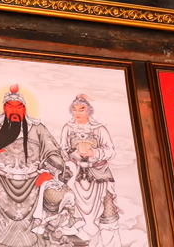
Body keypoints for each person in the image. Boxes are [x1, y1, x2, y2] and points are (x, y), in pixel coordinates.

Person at [0, 85, 77, 246]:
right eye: (10, 107)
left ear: (25, 109)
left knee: (61, 193)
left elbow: (53, 153)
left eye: (19, 107)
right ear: (4, 108)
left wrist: (48, 173)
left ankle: (53, 234)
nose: (15, 111)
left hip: (33, 180)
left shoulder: (37, 129)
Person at [59, 94, 122, 247]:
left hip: (99, 175)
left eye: (81, 109)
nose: (77, 113)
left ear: (89, 111)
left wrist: (94, 153)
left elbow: (110, 151)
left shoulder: (99, 129)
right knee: (73, 210)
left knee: (107, 210)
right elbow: (62, 150)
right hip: (76, 176)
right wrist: (70, 158)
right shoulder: (68, 128)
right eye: (74, 109)